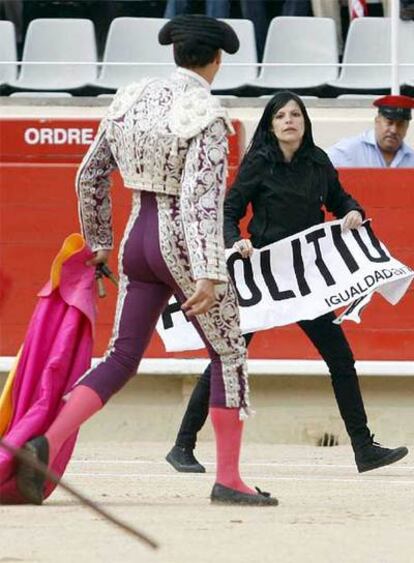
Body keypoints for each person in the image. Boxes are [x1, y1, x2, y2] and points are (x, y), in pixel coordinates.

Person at [14, 15, 278, 507]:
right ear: (217, 61)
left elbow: (88, 176)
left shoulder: (131, 98)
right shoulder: (208, 113)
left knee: (121, 356)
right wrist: (209, 270)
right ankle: (230, 479)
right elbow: (201, 201)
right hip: (180, 244)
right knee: (228, 352)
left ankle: (45, 440)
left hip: (137, 237)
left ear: (176, 54)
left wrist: (99, 244)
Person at [165, 90, 409, 475]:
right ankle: (183, 445)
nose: (289, 121)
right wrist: (235, 240)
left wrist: (353, 214)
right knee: (229, 356)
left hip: (307, 278)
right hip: (264, 277)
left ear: (305, 122)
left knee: (340, 358)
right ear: (272, 124)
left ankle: (363, 447)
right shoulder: (258, 162)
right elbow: (230, 209)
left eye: (296, 114)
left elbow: (340, 199)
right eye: (281, 116)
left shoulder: (318, 162)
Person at [327, 95, 414, 168]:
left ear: (407, 127)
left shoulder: (411, 159)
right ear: (377, 121)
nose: (394, 130)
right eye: (389, 122)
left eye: (400, 125)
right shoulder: (350, 150)